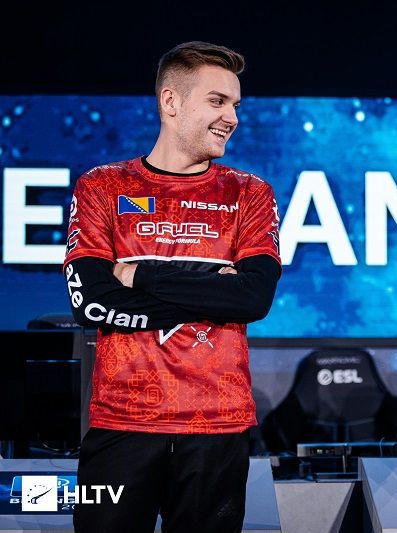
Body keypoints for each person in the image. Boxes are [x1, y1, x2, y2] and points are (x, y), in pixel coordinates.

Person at [63, 41, 282, 533]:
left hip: (218, 426)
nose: (232, 118)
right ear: (171, 102)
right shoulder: (102, 186)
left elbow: (252, 298)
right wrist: (212, 296)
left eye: (236, 105)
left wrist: (141, 275)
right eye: (217, 101)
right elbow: (90, 303)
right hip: (121, 426)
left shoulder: (250, 193)